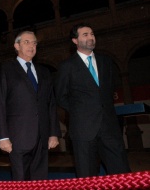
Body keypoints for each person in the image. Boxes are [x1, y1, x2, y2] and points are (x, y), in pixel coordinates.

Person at [55, 22, 131, 178]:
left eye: (92, 34)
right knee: (87, 178)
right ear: (75, 41)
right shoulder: (66, 66)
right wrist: (80, 111)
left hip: (109, 128)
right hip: (83, 130)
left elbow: (109, 90)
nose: (91, 37)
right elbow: (60, 97)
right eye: (85, 34)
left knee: (122, 174)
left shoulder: (106, 61)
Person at [0, 31, 61, 181]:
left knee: (40, 179)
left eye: (34, 43)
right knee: (21, 180)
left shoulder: (44, 72)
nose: (32, 46)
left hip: (42, 137)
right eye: (27, 42)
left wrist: (53, 133)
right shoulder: (6, 69)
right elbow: (0, 104)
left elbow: (51, 104)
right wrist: (3, 136)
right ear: (16, 46)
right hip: (17, 137)